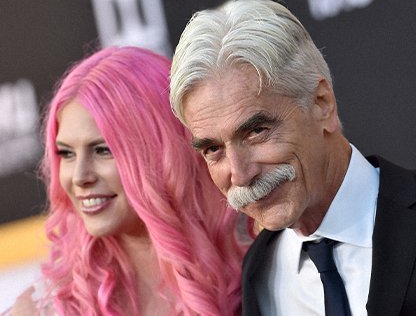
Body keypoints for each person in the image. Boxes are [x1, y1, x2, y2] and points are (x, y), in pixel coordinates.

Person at [168, 0, 416, 316]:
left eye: (256, 132)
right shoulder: (259, 274)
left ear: (322, 104)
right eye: (214, 150)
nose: (240, 174)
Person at [9, 46, 247, 315]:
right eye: (66, 153)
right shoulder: (42, 310)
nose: (79, 177)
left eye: (102, 150)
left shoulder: (264, 272)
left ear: (162, 151)